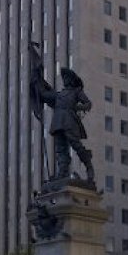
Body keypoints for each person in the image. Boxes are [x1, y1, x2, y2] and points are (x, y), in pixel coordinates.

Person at [30, 43, 94, 181]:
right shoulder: (58, 94)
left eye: (67, 78)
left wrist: (75, 108)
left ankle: (88, 165)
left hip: (70, 122)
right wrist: (36, 77)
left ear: (71, 80)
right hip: (58, 123)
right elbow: (43, 94)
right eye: (64, 78)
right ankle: (62, 173)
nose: (64, 80)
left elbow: (88, 104)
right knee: (60, 149)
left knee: (75, 145)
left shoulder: (77, 92)